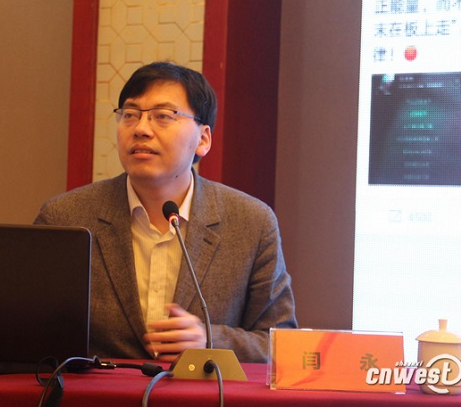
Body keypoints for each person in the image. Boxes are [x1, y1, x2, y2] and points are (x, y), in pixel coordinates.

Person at [34, 61, 297, 363]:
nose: (141, 129)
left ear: (203, 139)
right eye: (130, 115)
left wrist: (210, 340)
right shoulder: (65, 218)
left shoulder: (251, 223)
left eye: (163, 116)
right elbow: (31, 332)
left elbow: (282, 345)